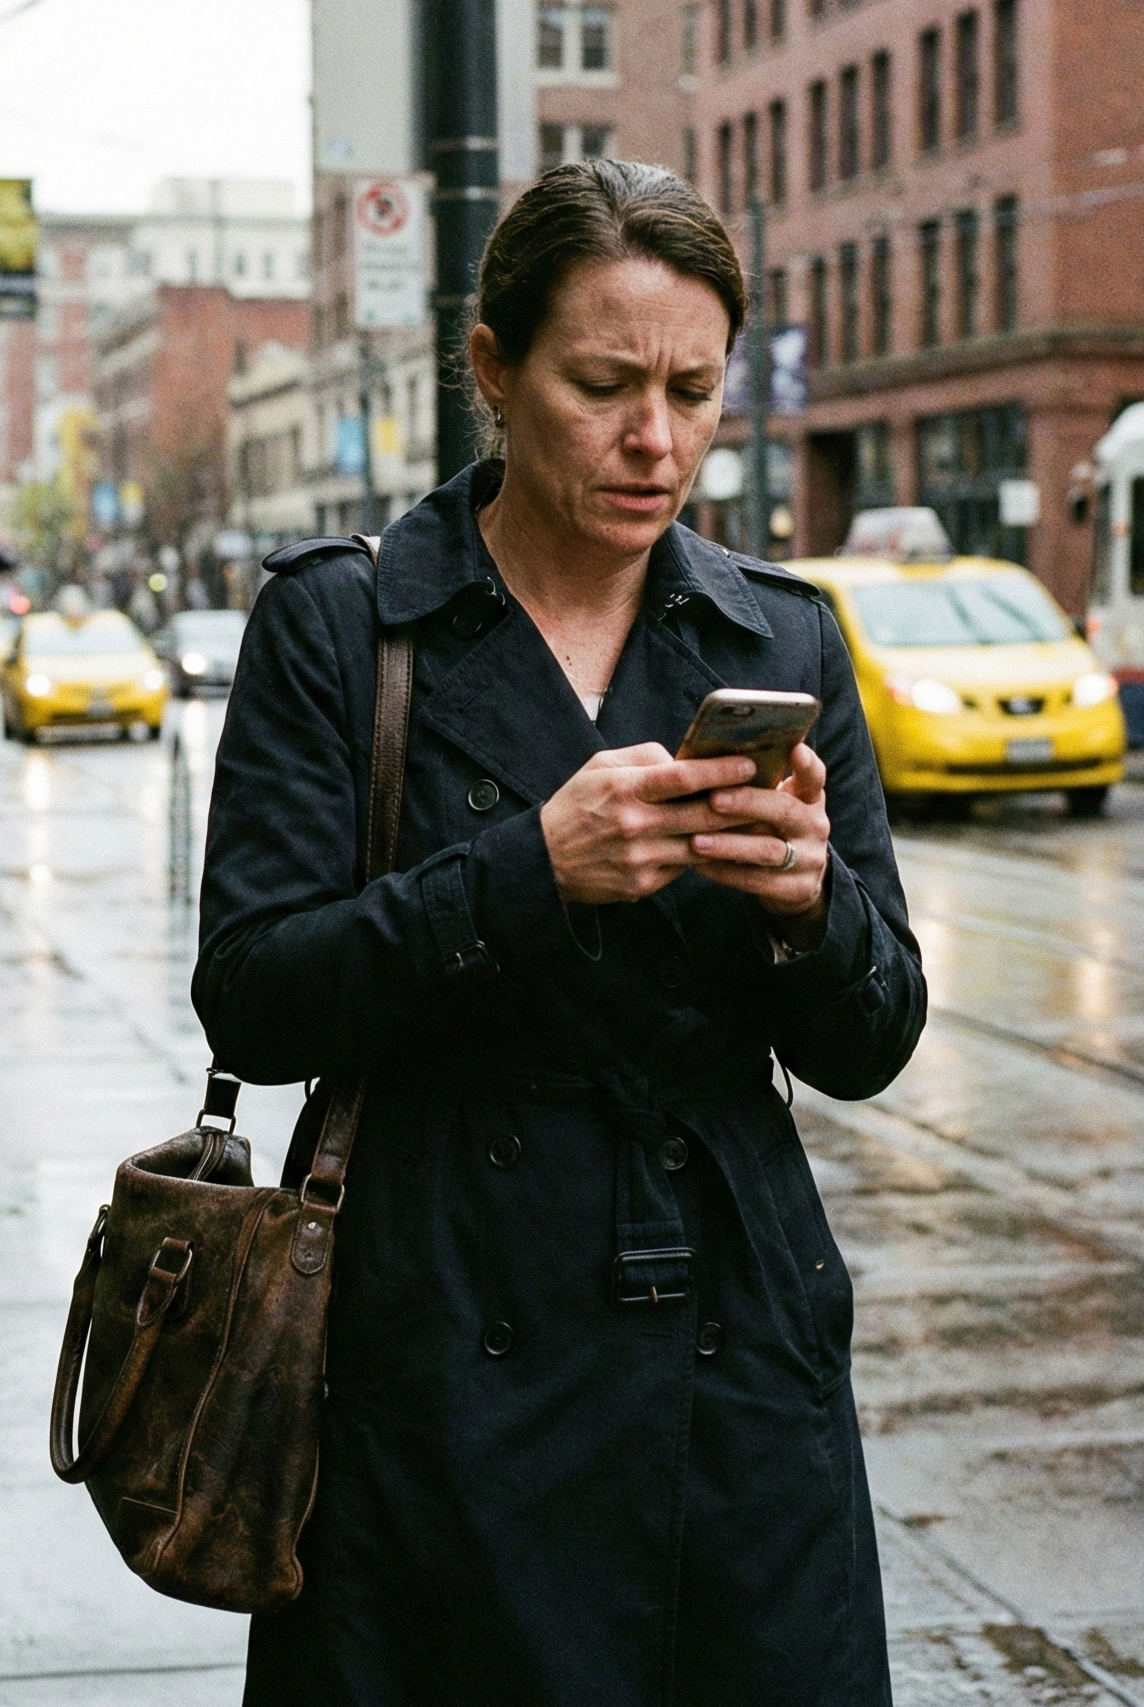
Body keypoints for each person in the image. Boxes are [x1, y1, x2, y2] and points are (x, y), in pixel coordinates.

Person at [194, 160, 926, 1706]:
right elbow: (252, 996)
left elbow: (873, 1037)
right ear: (490, 370)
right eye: (600, 384)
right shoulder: (345, 625)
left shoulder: (776, 633)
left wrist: (808, 909)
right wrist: (528, 869)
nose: (651, 438)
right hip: (441, 1335)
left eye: (690, 389)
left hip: (733, 1345)